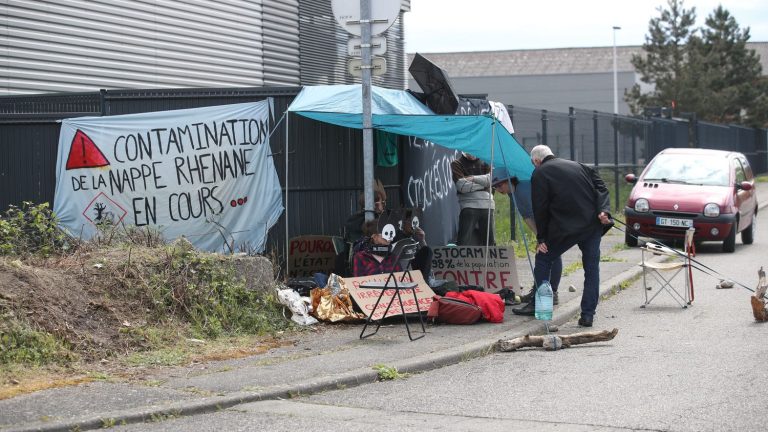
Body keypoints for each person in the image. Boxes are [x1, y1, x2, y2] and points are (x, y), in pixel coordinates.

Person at [512, 145, 613, 327]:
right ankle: (588, 315)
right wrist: (604, 210)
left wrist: (541, 238)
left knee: (543, 258)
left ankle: (540, 305)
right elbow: (602, 187)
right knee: (592, 269)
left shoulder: (540, 173)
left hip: (564, 228)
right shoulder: (579, 165)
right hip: (591, 225)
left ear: (536, 161)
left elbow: (540, 207)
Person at [492, 170, 563, 306]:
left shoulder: (524, 189)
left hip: (551, 220)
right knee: (545, 252)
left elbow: (540, 213)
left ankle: (552, 292)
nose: (498, 189)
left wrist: (543, 237)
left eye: (499, 185)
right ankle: (538, 290)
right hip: (542, 224)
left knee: (551, 253)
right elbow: (526, 216)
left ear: (508, 180)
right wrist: (538, 236)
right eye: (495, 187)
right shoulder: (511, 193)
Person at [451, 152, 495, 246]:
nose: (471, 154)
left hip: (483, 205)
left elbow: (492, 180)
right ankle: (462, 260)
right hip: (471, 205)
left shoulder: (486, 162)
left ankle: (488, 261)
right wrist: (484, 184)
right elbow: (461, 186)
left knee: (488, 243)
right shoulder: (457, 163)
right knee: (464, 241)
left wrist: (472, 178)